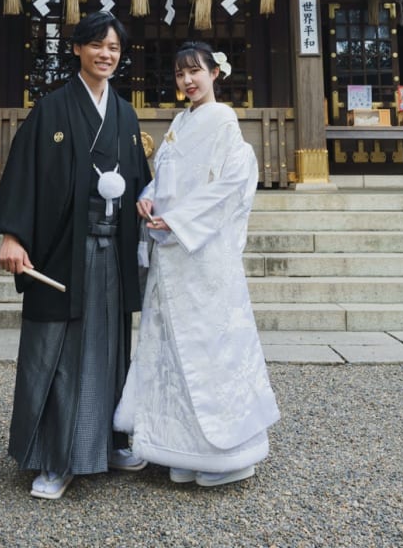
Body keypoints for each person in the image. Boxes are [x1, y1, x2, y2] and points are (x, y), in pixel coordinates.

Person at [0, 10, 152, 500]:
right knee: (59, 354)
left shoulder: (124, 113)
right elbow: (25, 172)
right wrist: (13, 236)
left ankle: (109, 439)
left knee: (109, 349)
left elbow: (140, 182)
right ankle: (56, 458)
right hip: (65, 253)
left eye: (115, 49)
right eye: (97, 45)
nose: (106, 55)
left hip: (112, 254)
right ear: (77, 49)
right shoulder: (52, 109)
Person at [114, 40, 279, 487]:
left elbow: (230, 185)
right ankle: (184, 448)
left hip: (201, 254)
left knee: (210, 348)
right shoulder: (179, 124)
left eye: (195, 71)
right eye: (180, 73)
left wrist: (181, 218)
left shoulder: (223, 121)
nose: (188, 81)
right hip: (171, 247)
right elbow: (163, 178)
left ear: (214, 74)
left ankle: (229, 454)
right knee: (174, 351)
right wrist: (147, 202)